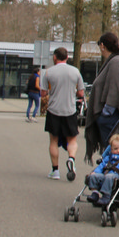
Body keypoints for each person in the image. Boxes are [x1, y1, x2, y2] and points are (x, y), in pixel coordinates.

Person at [42, 46, 85, 181]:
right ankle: (71, 158)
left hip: (53, 110)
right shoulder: (75, 71)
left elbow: (43, 93)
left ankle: (55, 171)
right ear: (67, 57)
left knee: (53, 141)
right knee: (72, 139)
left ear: (55, 57)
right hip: (70, 110)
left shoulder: (48, 72)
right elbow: (81, 93)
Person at [89, 33, 119, 150]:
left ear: (102, 45)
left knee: (112, 151)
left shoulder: (116, 62)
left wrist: (105, 114)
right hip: (114, 115)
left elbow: (115, 89)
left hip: (112, 116)